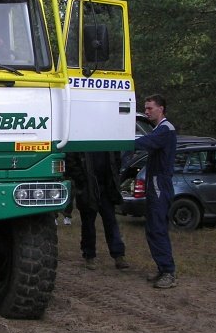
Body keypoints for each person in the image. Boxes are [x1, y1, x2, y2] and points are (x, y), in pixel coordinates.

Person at [135, 94, 178, 289]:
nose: (146, 111)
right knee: (152, 228)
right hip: (155, 182)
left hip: (160, 182)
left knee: (158, 228)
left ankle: (168, 272)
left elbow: (145, 142)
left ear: (161, 108)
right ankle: (162, 268)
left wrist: (121, 141)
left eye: (150, 108)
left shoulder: (165, 130)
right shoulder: (159, 129)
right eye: (145, 108)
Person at [68, 151, 130, 271]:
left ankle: (118, 256)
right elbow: (70, 162)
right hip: (88, 188)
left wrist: (113, 177)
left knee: (111, 222)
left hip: (106, 187)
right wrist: (82, 180)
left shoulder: (107, 139)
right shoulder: (81, 139)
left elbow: (116, 159)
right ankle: (89, 255)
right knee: (88, 224)